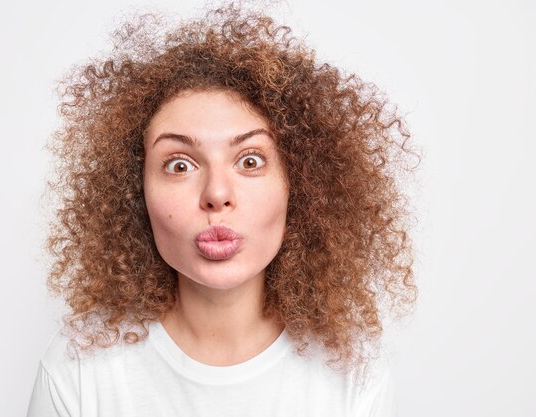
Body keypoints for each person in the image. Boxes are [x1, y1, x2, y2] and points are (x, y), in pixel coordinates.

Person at [26, 2, 418, 416]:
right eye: (180, 165)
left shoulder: (353, 373)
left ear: (299, 184)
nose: (216, 193)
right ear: (134, 190)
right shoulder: (79, 369)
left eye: (250, 161)